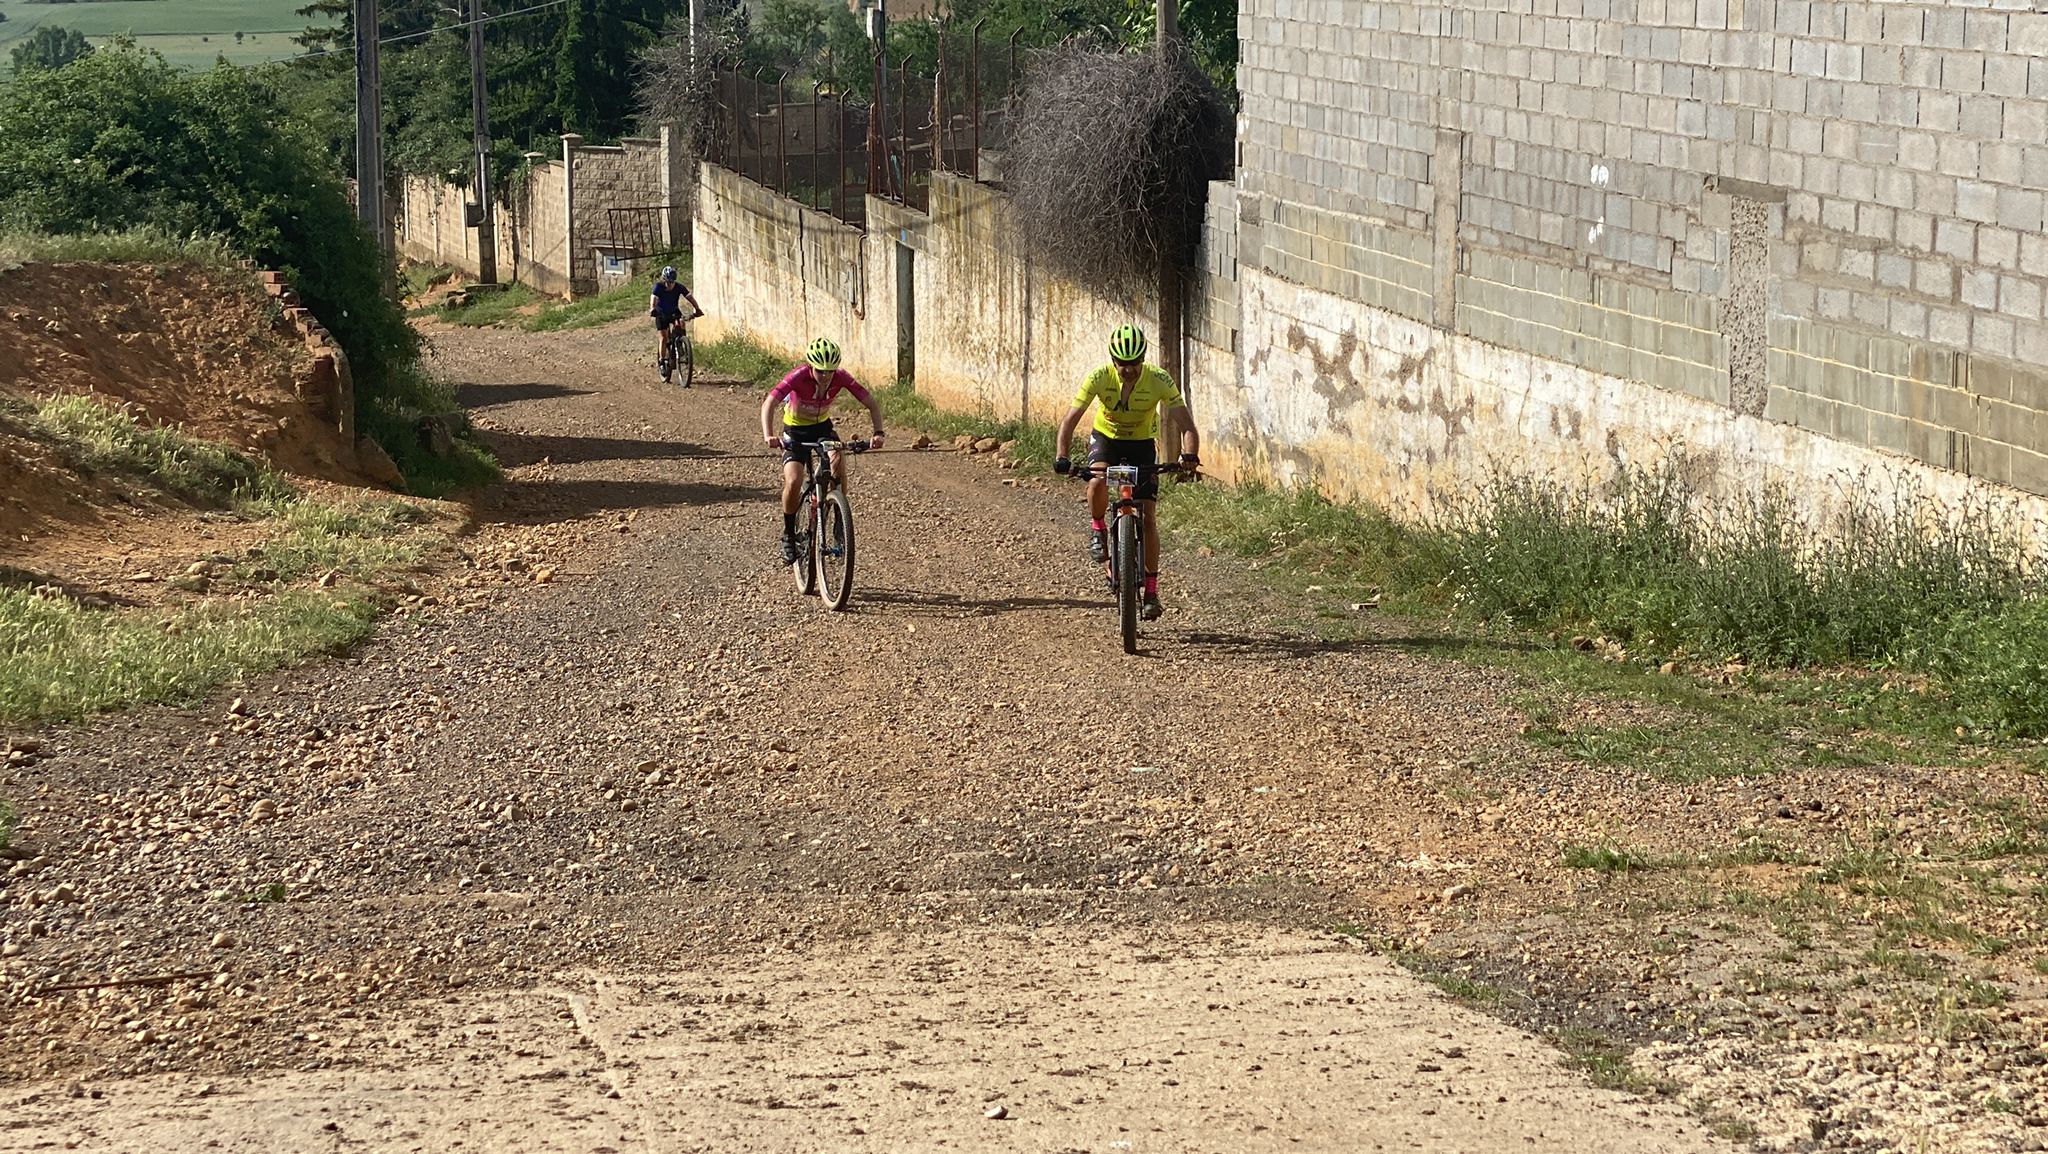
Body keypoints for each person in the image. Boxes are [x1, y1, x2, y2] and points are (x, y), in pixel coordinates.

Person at [1052, 324, 1201, 621]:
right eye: (1122, 364)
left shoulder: (1159, 379)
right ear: (1113, 360)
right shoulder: (1099, 377)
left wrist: (1189, 456)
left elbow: (1186, 425)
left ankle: (1152, 591)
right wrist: (1062, 457)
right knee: (1096, 482)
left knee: (1147, 518)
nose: (1127, 370)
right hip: (1106, 440)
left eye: (1134, 363)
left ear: (1142, 359)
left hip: (1142, 445)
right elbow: (1069, 421)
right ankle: (1098, 530)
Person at [761, 337, 886, 564]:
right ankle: (789, 535)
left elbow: (871, 403)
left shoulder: (841, 377)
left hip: (822, 429)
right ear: (811, 367)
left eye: (830, 371)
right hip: (795, 431)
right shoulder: (798, 376)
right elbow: (770, 402)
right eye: (820, 371)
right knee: (794, 480)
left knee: (838, 460)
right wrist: (769, 434)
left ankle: (840, 517)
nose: (826, 376)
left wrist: (878, 433)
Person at [648, 266, 703, 381]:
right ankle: (662, 361)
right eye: (668, 282)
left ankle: (681, 343)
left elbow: (690, 297)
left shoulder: (679, 287)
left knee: (681, 322)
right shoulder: (658, 287)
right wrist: (652, 308)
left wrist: (697, 309)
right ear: (664, 280)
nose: (670, 285)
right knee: (663, 338)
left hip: (673, 312)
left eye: (672, 282)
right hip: (661, 313)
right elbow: (654, 298)